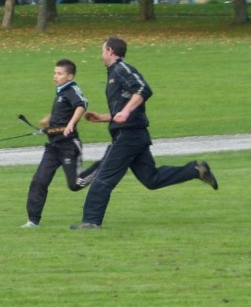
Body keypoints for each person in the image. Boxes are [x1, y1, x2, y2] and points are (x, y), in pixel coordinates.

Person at [70, 37, 218, 230]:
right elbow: (125, 107)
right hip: (134, 135)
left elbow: (143, 89)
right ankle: (196, 170)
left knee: (103, 178)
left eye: (102, 50)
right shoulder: (114, 73)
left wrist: (125, 112)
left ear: (110, 51)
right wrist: (103, 117)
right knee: (151, 179)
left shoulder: (122, 69)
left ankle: (91, 221)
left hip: (128, 136)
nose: (101, 54)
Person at [21, 59, 99, 228]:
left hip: (69, 146)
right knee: (39, 181)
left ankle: (104, 164)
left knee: (75, 184)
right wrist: (48, 120)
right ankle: (33, 221)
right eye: (54, 73)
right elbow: (63, 111)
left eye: (59, 73)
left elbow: (81, 105)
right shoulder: (61, 92)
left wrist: (71, 124)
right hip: (53, 147)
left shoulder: (72, 90)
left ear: (69, 76)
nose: (55, 76)